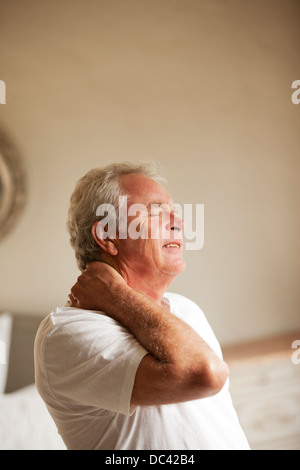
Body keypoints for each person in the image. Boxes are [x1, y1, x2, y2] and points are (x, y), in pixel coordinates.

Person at [34, 161, 250, 450]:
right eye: (158, 212)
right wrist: (115, 294)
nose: (179, 223)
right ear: (107, 234)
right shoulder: (64, 334)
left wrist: (114, 293)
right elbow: (206, 373)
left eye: (175, 213)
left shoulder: (186, 309)